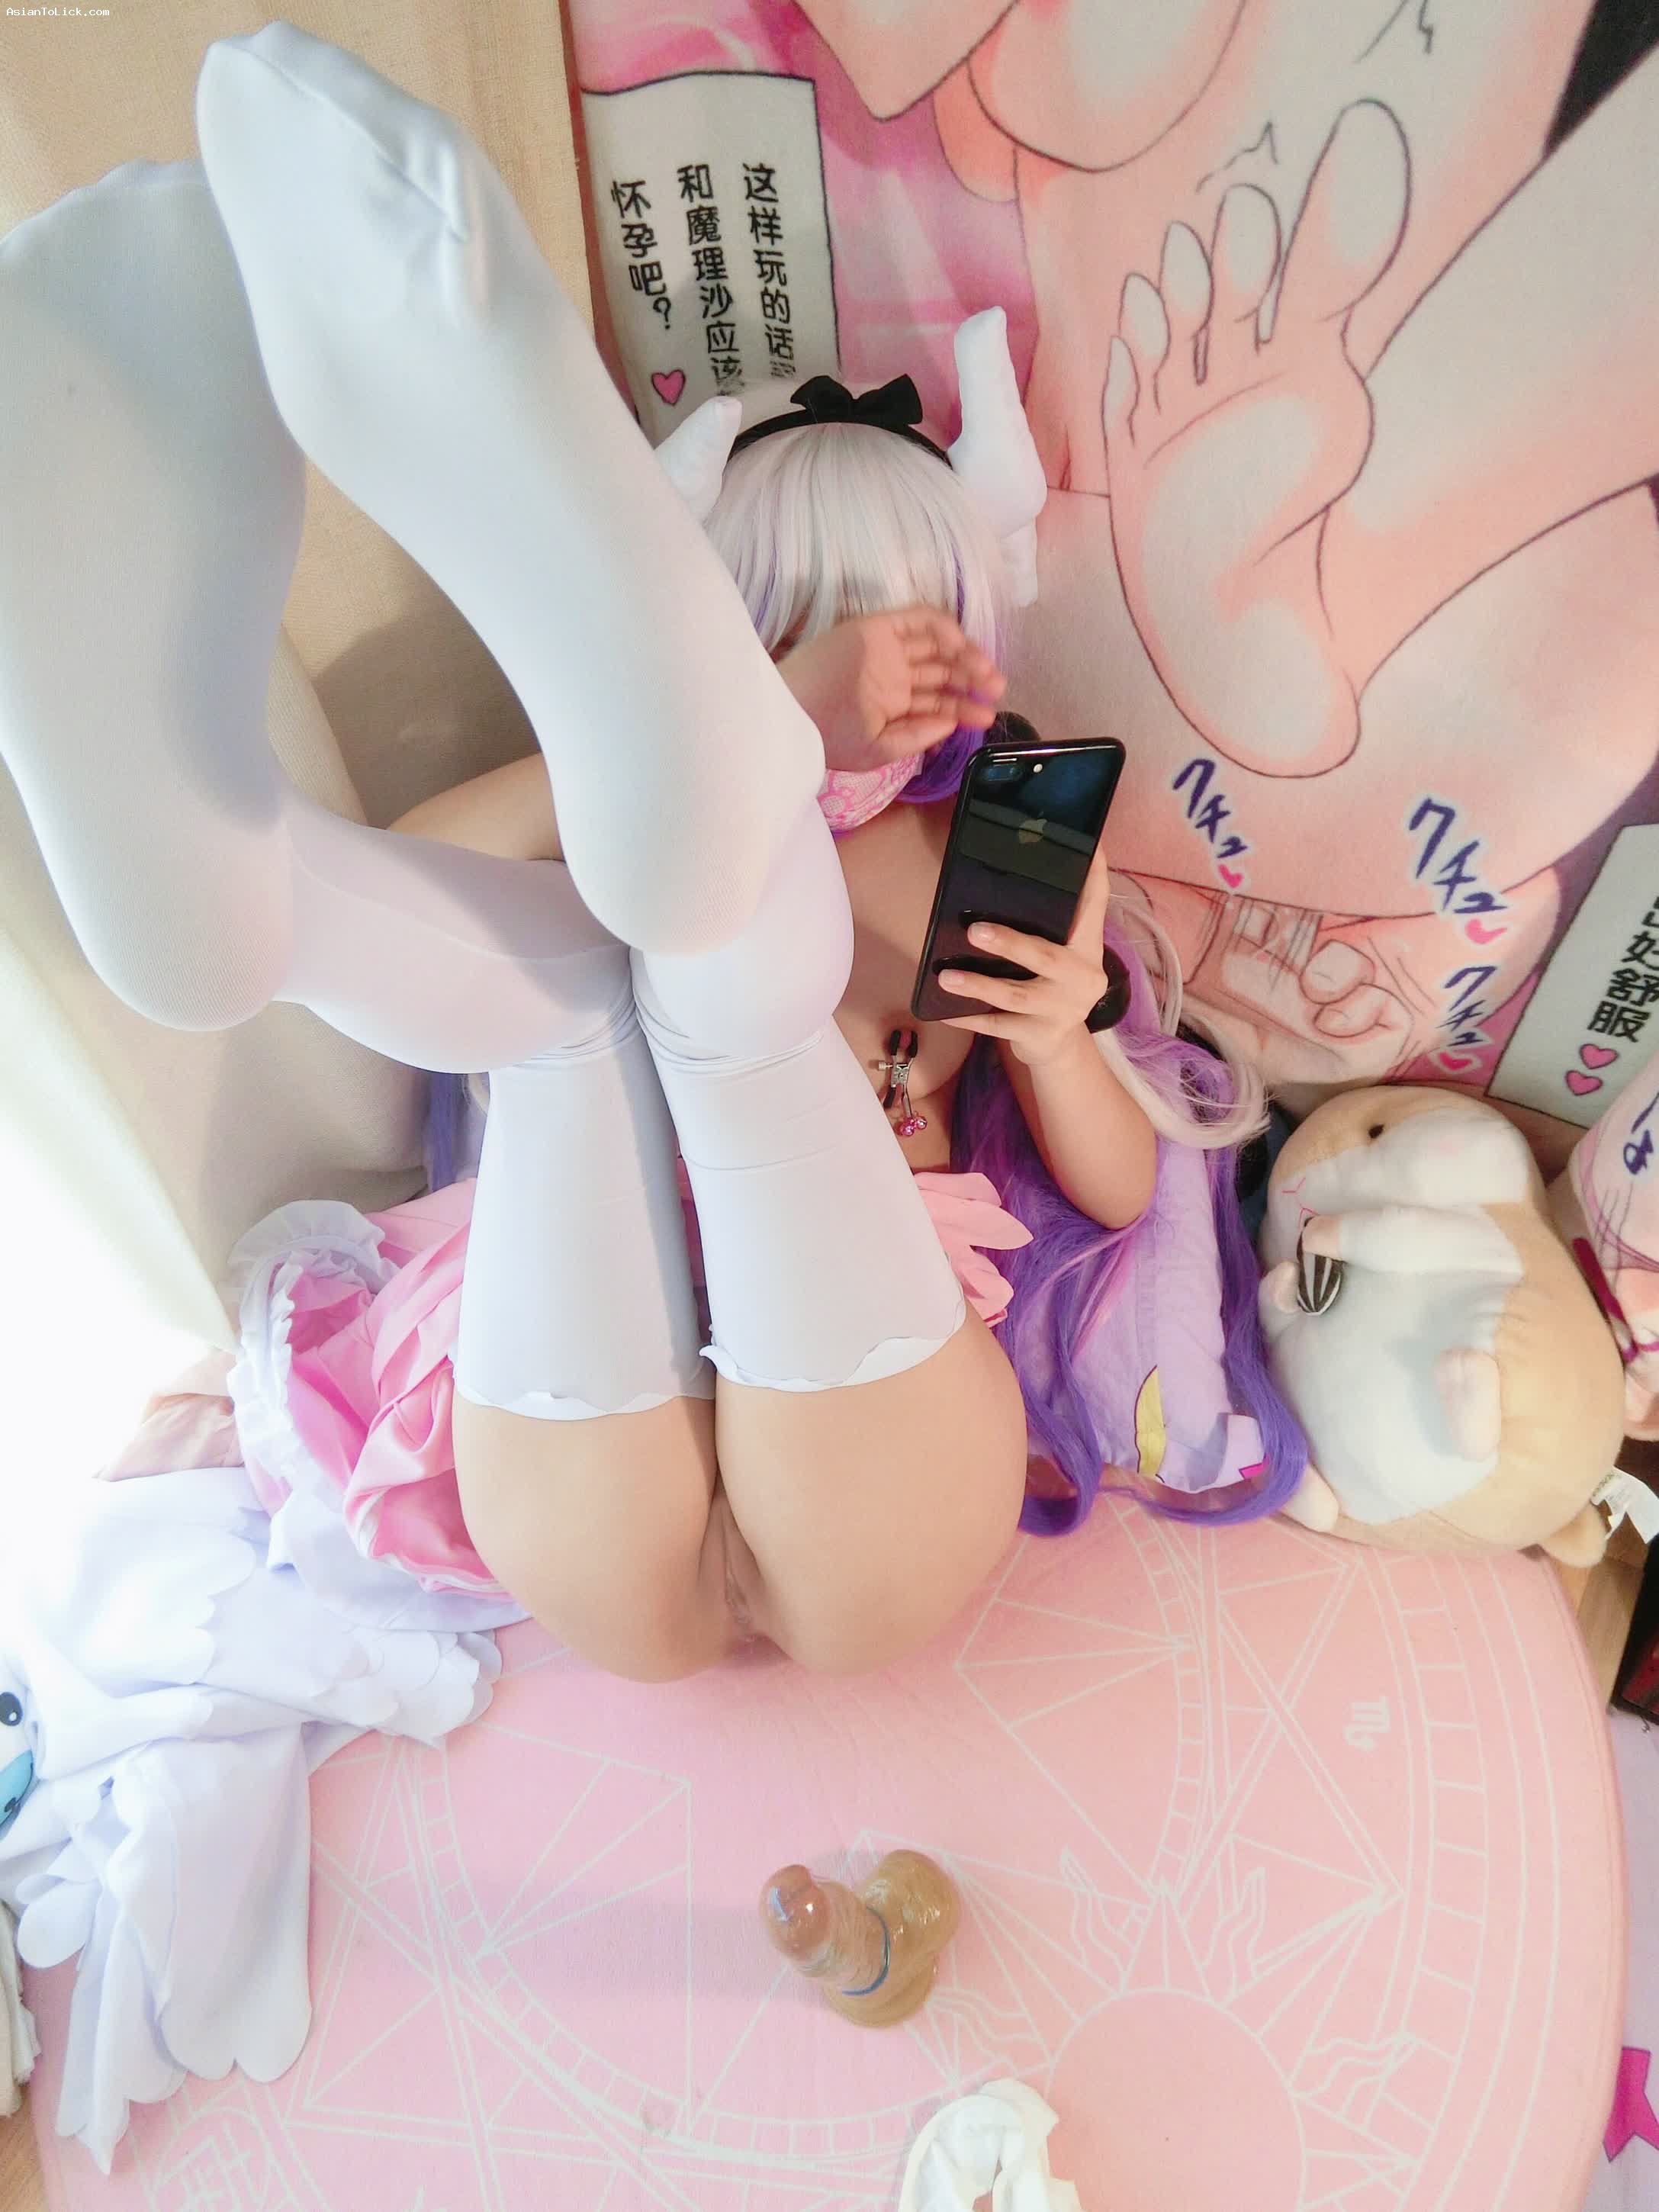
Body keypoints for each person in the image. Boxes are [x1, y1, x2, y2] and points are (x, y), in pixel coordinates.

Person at [0, 25, 1293, 1686]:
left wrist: (1051, 1035)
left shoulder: (965, 851)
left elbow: (1118, 1191)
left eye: (912, 626)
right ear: (729, 627)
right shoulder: (628, 808)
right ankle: (248, 880)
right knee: (605, 986)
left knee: (638, 994)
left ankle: (235, 892)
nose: (879, 666)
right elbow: (438, 859)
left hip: (779, 1419)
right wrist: (755, 730)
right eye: (802, 624)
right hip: (675, 1414)